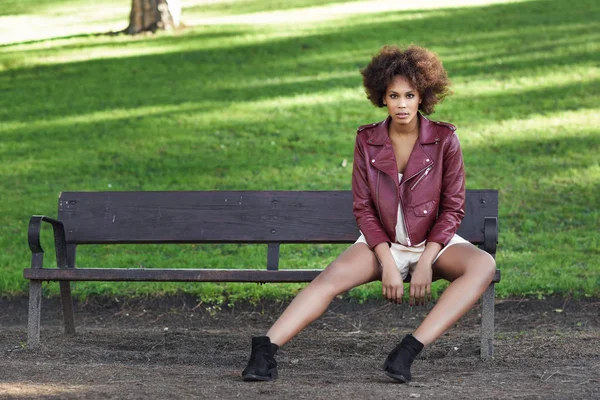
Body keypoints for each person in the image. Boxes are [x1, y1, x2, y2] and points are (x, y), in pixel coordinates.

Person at [241, 45, 496, 383]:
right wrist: (387, 261)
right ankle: (264, 351)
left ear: (423, 97)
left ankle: (407, 351)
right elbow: (363, 207)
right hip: (382, 243)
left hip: (434, 243)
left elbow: (452, 208)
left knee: (484, 264)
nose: (402, 104)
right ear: (382, 97)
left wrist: (425, 260)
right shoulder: (368, 139)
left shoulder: (444, 139)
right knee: (327, 281)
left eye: (409, 95)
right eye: (393, 95)